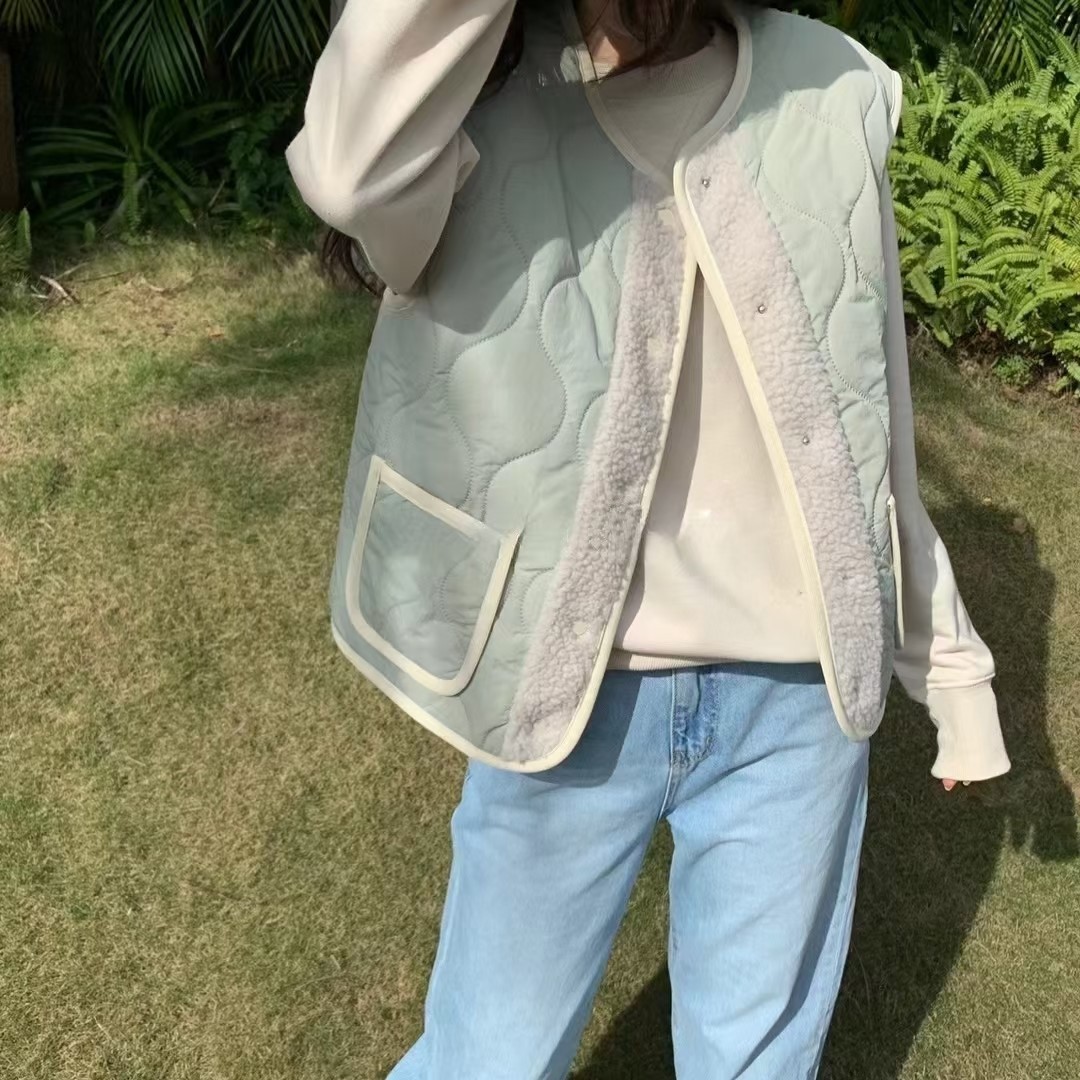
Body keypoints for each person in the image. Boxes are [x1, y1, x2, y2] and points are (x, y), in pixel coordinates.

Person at [286, 0, 1012, 1075]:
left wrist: (947, 662)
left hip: (799, 708)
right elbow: (349, 176)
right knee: (489, 1057)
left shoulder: (835, 82)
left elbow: (871, 412)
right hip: (567, 696)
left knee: (758, 1061)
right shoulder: (465, 104)